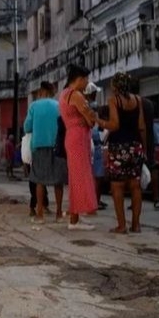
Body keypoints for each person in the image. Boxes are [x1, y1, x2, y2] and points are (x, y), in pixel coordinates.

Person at [102, 72, 146, 234]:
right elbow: (141, 126)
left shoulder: (114, 100)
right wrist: (144, 148)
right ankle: (136, 224)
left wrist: (98, 120)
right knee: (135, 186)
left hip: (119, 147)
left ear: (115, 86)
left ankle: (122, 225)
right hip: (135, 146)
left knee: (117, 187)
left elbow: (114, 125)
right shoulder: (137, 100)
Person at [59, 64, 101, 230]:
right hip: (79, 137)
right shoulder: (76, 95)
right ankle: (74, 219)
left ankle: (75, 215)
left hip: (72, 136)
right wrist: (91, 118)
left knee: (75, 176)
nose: (87, 83)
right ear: (80, 79)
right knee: (80, 176)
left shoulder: (64, 94)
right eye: (86, 79)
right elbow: (90, 119)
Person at [24, 81, 67, 223]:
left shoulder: (34, 106)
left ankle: (40, 214)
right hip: (57, 146)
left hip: (39, 146)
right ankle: (59, 213)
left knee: (40, 181)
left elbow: (27, 127)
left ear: (41, 92)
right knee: (58, 181)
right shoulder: (58, 106)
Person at [129, 78, 159, 210]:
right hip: (149, 139)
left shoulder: (130, 104)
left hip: (135, 140)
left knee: (134, 172)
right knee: (152, 166)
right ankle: (157, 198)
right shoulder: (149, 104)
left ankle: (135, 199)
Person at [93, 105, 109, 210]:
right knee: (98, 179)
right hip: (98, 150)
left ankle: (96, 201)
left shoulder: (98, 126)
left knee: (97, 179)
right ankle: (95, 201)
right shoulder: (103, 127)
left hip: (95, 150)